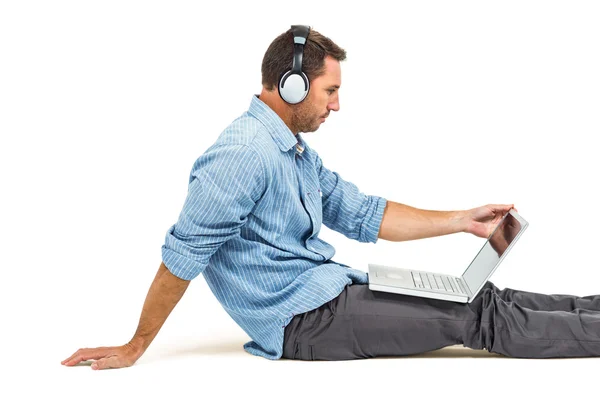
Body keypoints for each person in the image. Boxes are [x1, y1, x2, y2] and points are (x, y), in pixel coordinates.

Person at [62, 25, 600, 369]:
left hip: (328, 293)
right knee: (476, 317)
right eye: (330, 91)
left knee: (481, 295)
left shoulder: (290, 150)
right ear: (291, 87)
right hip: (304, 321)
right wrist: (135, 345)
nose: (336, 105)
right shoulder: (242, 154)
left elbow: (361, 212)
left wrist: (461, 219)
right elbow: (181, 258)